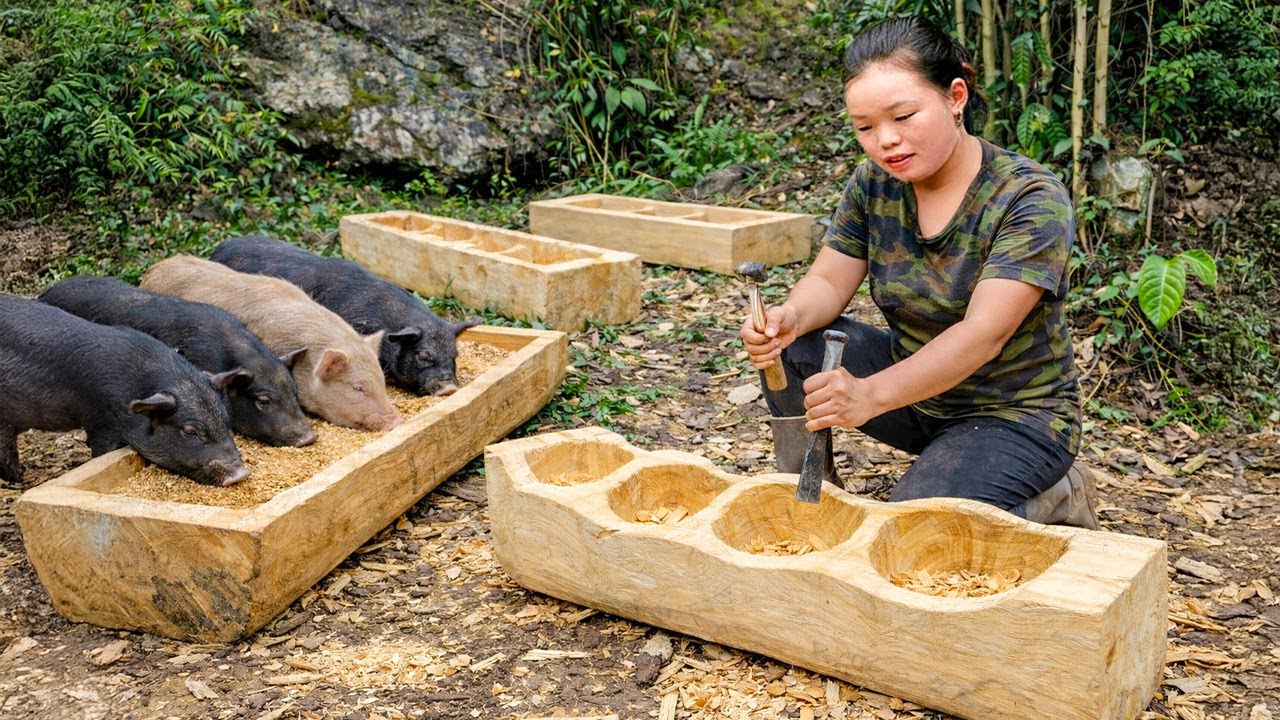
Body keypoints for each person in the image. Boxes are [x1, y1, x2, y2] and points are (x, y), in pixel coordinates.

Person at [740, 15, 1098, 528]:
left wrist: (868, 395)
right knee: (794, 346)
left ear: (955, 97)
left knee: (909, 528)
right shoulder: (874, 184)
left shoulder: (1029, 197)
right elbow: (827, 281)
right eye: (866, 127)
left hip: (1014, 418)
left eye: (904, 116)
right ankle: (809, 496)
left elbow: (982, 336)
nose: (886, 140)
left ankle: (1051, 496)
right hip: (919, 399)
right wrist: (788, 316)